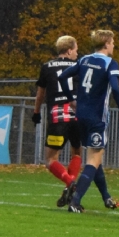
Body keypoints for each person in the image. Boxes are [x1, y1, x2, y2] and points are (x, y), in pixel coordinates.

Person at [58, 30, 119, 212]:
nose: (113, 45)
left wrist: (71, 100)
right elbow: (116, 88)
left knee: (94, 157)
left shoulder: (84, 60)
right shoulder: (110, 63)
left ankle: (106, 197)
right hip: (97, 117)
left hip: (81, 115)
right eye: (112, 42)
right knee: (94, 159)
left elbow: (62, 76)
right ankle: (75, 201)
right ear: (106, 44)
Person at [33, 36, 84, 207]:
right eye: (76, 50)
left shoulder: (47, 67)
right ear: (69, 50)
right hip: (77, 115)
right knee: (77, 153)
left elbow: (40, 94)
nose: (77, 53)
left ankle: (70, 183)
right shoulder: (79, 66)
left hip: (58, 116)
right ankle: (70, 186)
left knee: (50, 159)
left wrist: (36, 113)